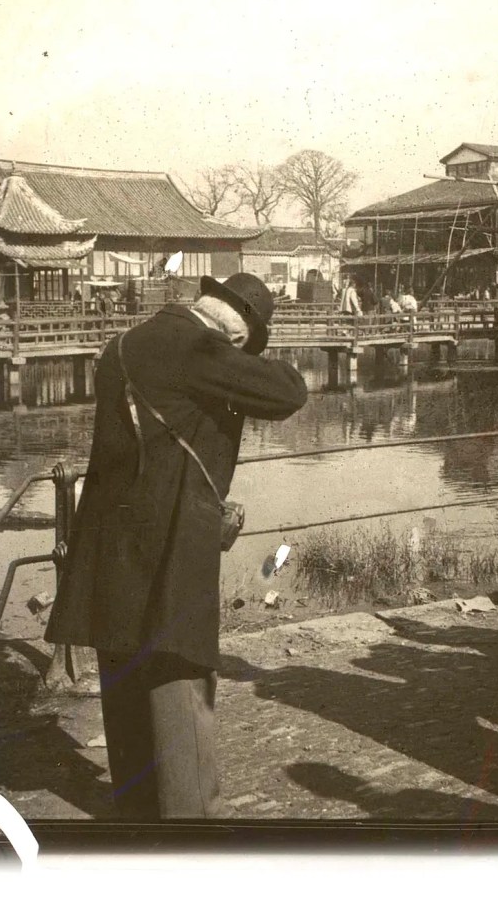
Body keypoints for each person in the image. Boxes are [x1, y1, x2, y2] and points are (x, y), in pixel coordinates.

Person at [45, 273, 307, 819]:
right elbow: (287, 392)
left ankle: (138, 820)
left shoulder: (122, 345)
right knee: (178, 686)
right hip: (169, 544)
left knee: (123, 688)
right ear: (238, 330)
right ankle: (191, 835)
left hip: (108, 544)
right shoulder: (197, 345)